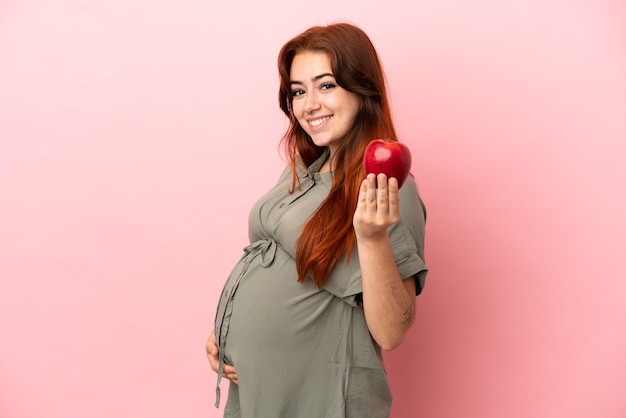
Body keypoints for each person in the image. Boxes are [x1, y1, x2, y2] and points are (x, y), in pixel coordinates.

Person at [206, 21, 428, 418]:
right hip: (259, 394)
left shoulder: (386, 186)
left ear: (363, 89)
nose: (308, 104)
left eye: (326, 85)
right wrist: (227, 333)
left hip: (321, 400)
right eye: (298, 91)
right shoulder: (301, 173)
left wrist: (373, 238)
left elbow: (393, 331)